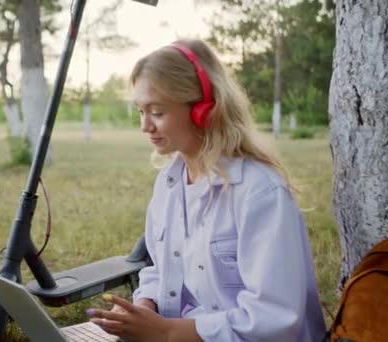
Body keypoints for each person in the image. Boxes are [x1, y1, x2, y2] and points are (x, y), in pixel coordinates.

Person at [86, 38, 327, 341]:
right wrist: (145, 307)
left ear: (203, 109)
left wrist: (167, 333)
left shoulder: (259, 191)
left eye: (157, 112)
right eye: (140, 111)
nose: (145, 126)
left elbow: (275, 318)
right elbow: (161, 270)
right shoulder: (169, 183)